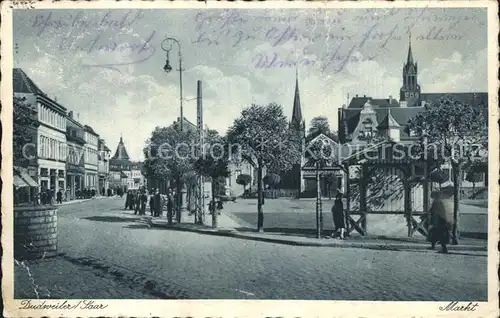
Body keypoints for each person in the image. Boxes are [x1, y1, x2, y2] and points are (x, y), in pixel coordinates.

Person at [428, 186, 454, 253]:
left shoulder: (437, 202)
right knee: (435, 234)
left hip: (439, 221)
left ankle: (444, 248)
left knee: (438, 235)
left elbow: (435, 212)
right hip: (440, 221)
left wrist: (433, 221)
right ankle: (435, 246)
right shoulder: (438, 201)